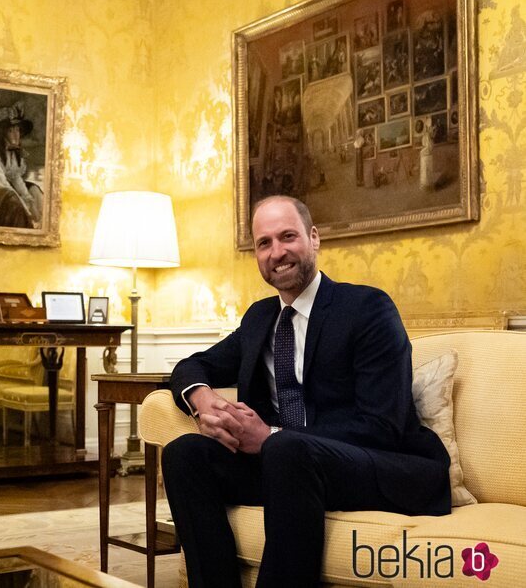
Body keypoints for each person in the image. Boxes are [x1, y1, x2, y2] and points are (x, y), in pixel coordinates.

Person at [162, 196, 450, 588]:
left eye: (288, 237)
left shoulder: (367, 309)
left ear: (313, 239)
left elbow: (384, 425)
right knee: (185, 453)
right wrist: (202, 400)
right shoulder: (260, 317)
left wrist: (270, 437)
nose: (277, 252)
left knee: (285, 448)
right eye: (264, 243)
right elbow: (192, 366)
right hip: (289, 469)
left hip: (378, 465)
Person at [0, 102, 43, 228]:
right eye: (11, 131)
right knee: (10, 196)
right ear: (3, 133)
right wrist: (27, 212)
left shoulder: (12, 152)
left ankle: (41, 223)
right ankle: (29, 224)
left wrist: (30, 202)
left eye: (17, 130)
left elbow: (16, 179)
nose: (16, 134)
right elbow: (3, 184)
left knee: (34, 190)